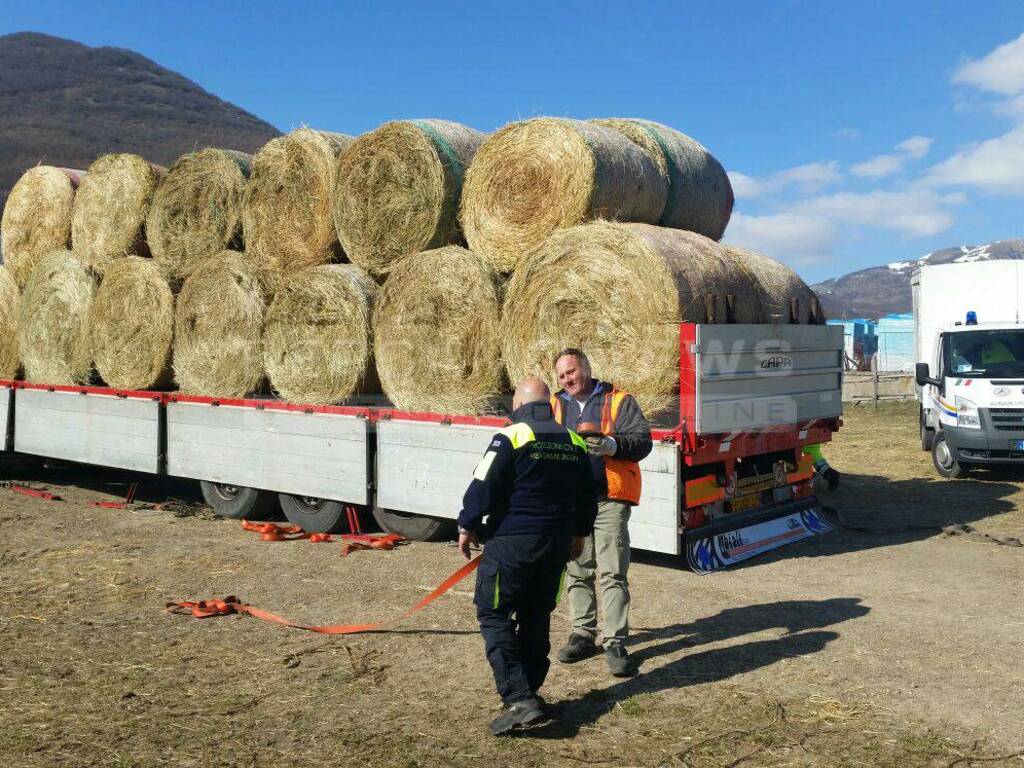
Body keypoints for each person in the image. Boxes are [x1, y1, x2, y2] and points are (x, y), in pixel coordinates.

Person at [458, 377, 598, 736]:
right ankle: (530, 691)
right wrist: (580, 533)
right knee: (537, 615)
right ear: (549, 404)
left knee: (494, 613)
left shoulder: (511, 435)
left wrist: (467, 524)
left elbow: (483, 483)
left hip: (513, 543)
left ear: (518, 404)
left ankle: (519, 698)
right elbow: (588, 494)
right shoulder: (575, 440)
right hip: (557, 544)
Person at [549, 348, 652, 677]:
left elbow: (643, 441)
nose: (567, 380)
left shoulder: (619, 400)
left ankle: (616, 641)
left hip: (610, 497)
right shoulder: (554, 404)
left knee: (612, 572)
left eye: (571, 372)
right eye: (562, 376)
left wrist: (612, 445)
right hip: (572, 500)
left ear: (587, 369)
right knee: (577, 569)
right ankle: (582, 633)